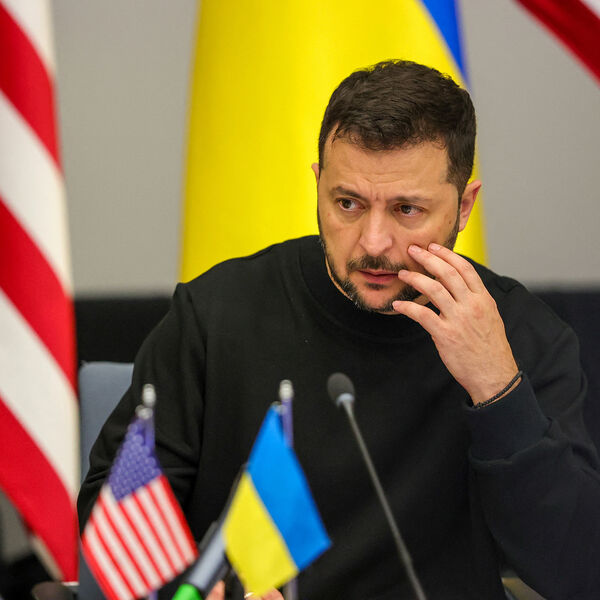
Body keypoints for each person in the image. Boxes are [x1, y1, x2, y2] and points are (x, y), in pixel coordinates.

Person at [79, 60, 600, 599]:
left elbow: (581, 572)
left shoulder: (520, 334)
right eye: (347, 203)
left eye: (407, 209)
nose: (373, 242)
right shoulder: (217, 314)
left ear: (464, 206)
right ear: (318, 186)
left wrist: (497, 389)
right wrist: (196, 591)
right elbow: (114, 517)